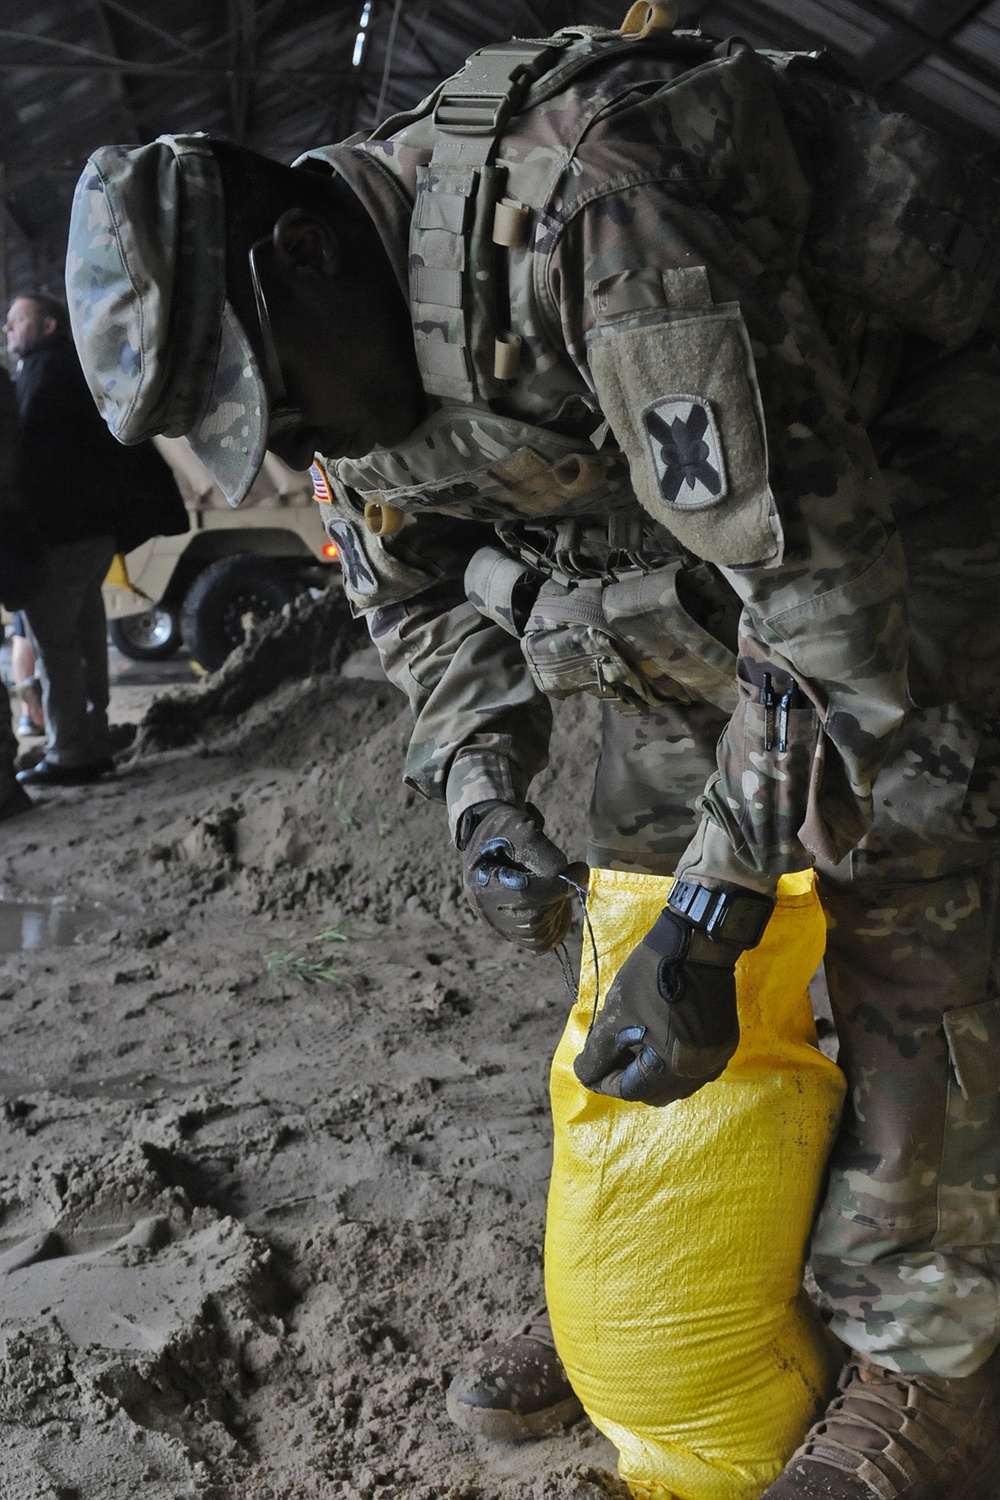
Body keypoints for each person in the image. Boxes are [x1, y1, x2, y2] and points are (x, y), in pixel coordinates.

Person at [65, 13, 1000, 1495]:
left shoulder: (598, 217)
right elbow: (415, 601)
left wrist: (722, 908)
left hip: (918, 471)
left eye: (279, 397)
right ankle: (671, 1255)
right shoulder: (333, 355)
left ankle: (930, 1355)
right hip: (719, 549)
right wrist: (486, 790)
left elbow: (824, 607)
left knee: (896, 848)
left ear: (309, 252)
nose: (297, 437)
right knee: (643, 858)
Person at [5, 292, 187, 788]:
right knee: (86, 636)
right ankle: (92, 738)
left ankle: (71, 753)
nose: (8, 329)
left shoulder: (41, 372)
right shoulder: (74, 367)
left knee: (55, 646)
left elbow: (31, 465)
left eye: (17, 320)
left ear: (47, 326)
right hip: (93, 531)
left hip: (60, 534)